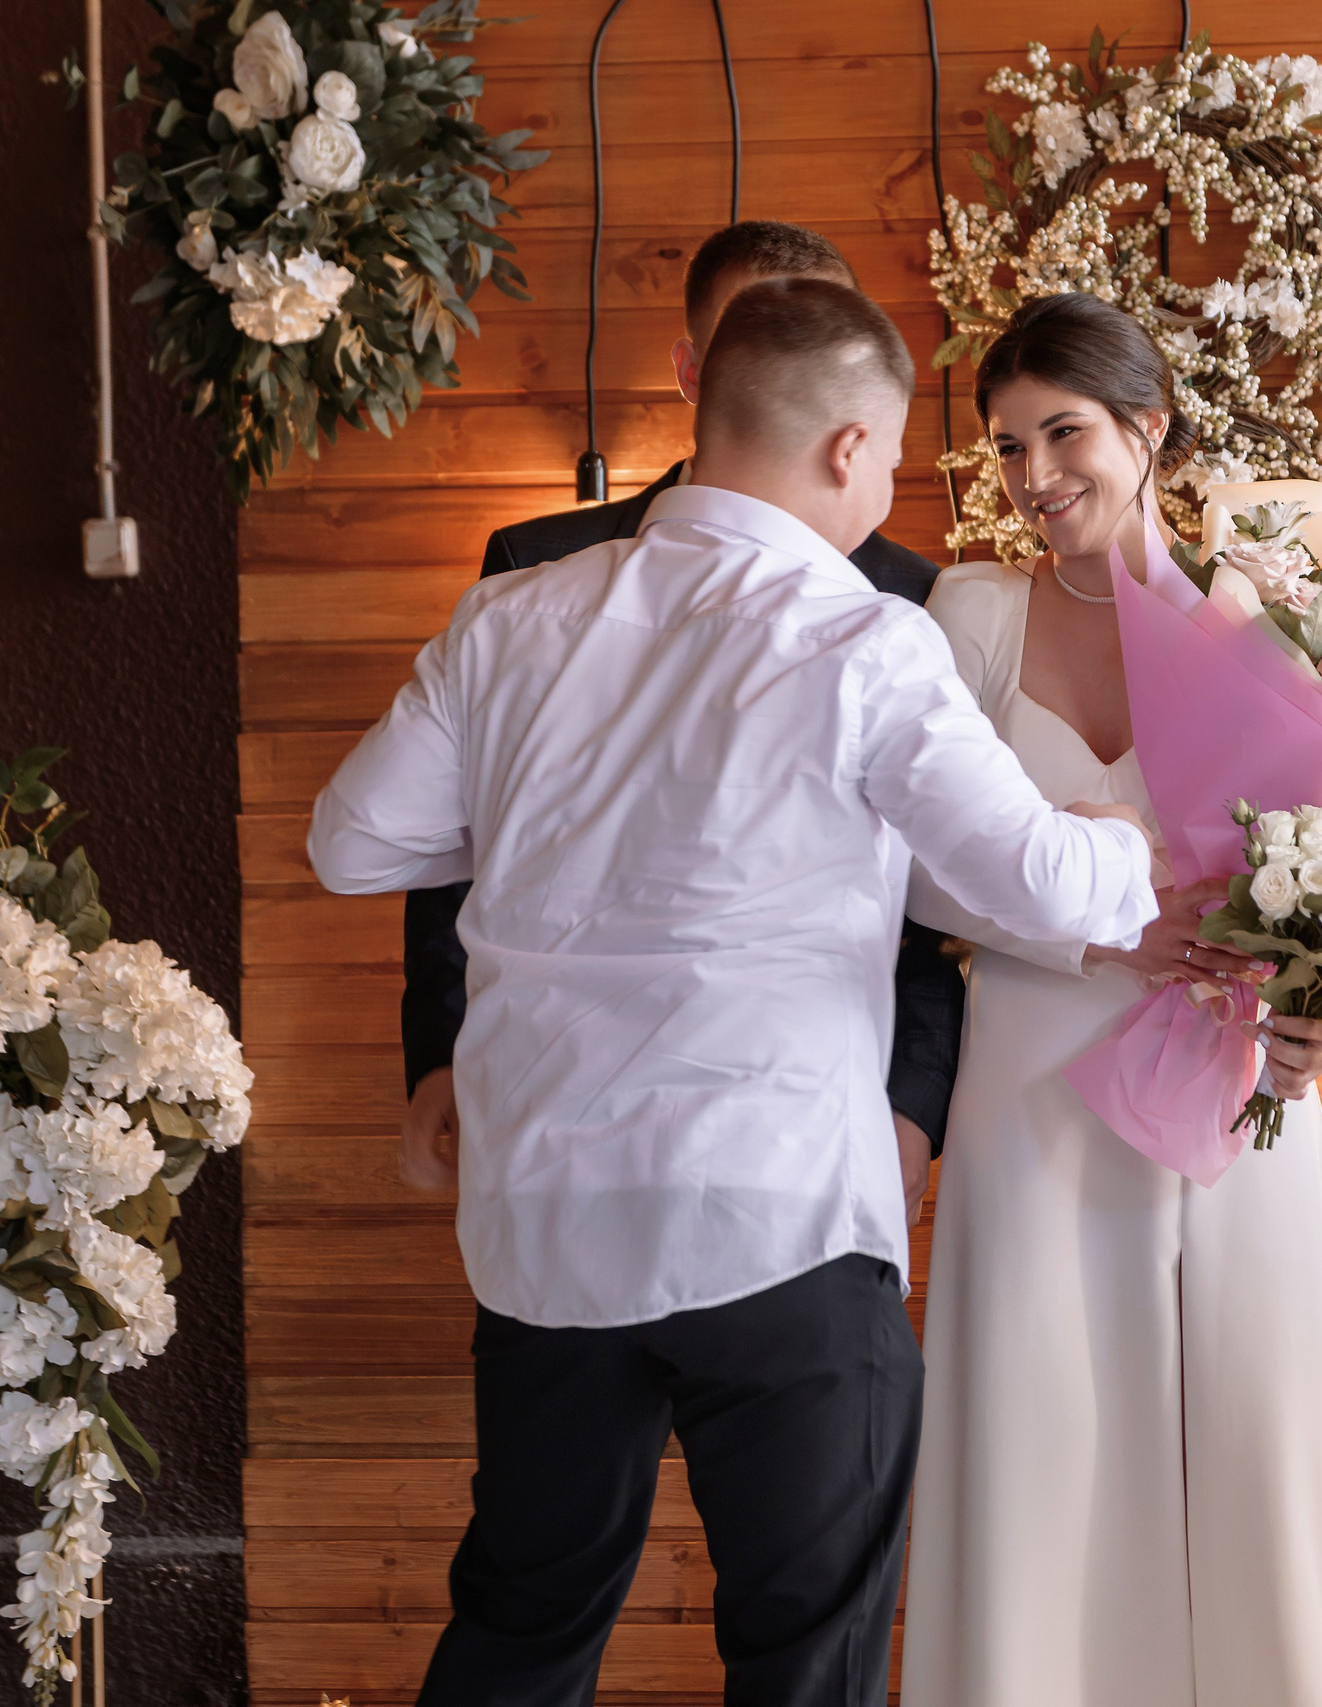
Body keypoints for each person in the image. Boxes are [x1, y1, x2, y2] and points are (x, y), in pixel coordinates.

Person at [309, 278, 1162, 1707]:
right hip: (777, 1210)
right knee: (801, 1660)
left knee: (523, 1625)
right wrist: (1129, 843)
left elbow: (351, 843)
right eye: (892, 459)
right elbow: (1038, 882)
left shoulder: (509, 618)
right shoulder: (861, 637)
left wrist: (550, 826)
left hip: (546, 1222)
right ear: (848, 446)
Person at [899, 292, 1322, 1707]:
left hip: (1234, 1081)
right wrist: (1106, 936)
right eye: (1008, 445)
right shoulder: (972, 617)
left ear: (1148, 428)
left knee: (1249, 1428)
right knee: (1040, 1430)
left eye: (1063, 434)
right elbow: (911, 873)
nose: (1034, 475)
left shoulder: (1266, 619)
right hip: (1033, 1079)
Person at [398, 221, 962, 1221]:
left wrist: (914, 1100)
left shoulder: (914, 596)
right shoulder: (532, 567)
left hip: (813, 1120)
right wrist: (442, 1050)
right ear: (694, 368)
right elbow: (458, 838)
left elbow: (935, 889)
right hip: (556, 1114)